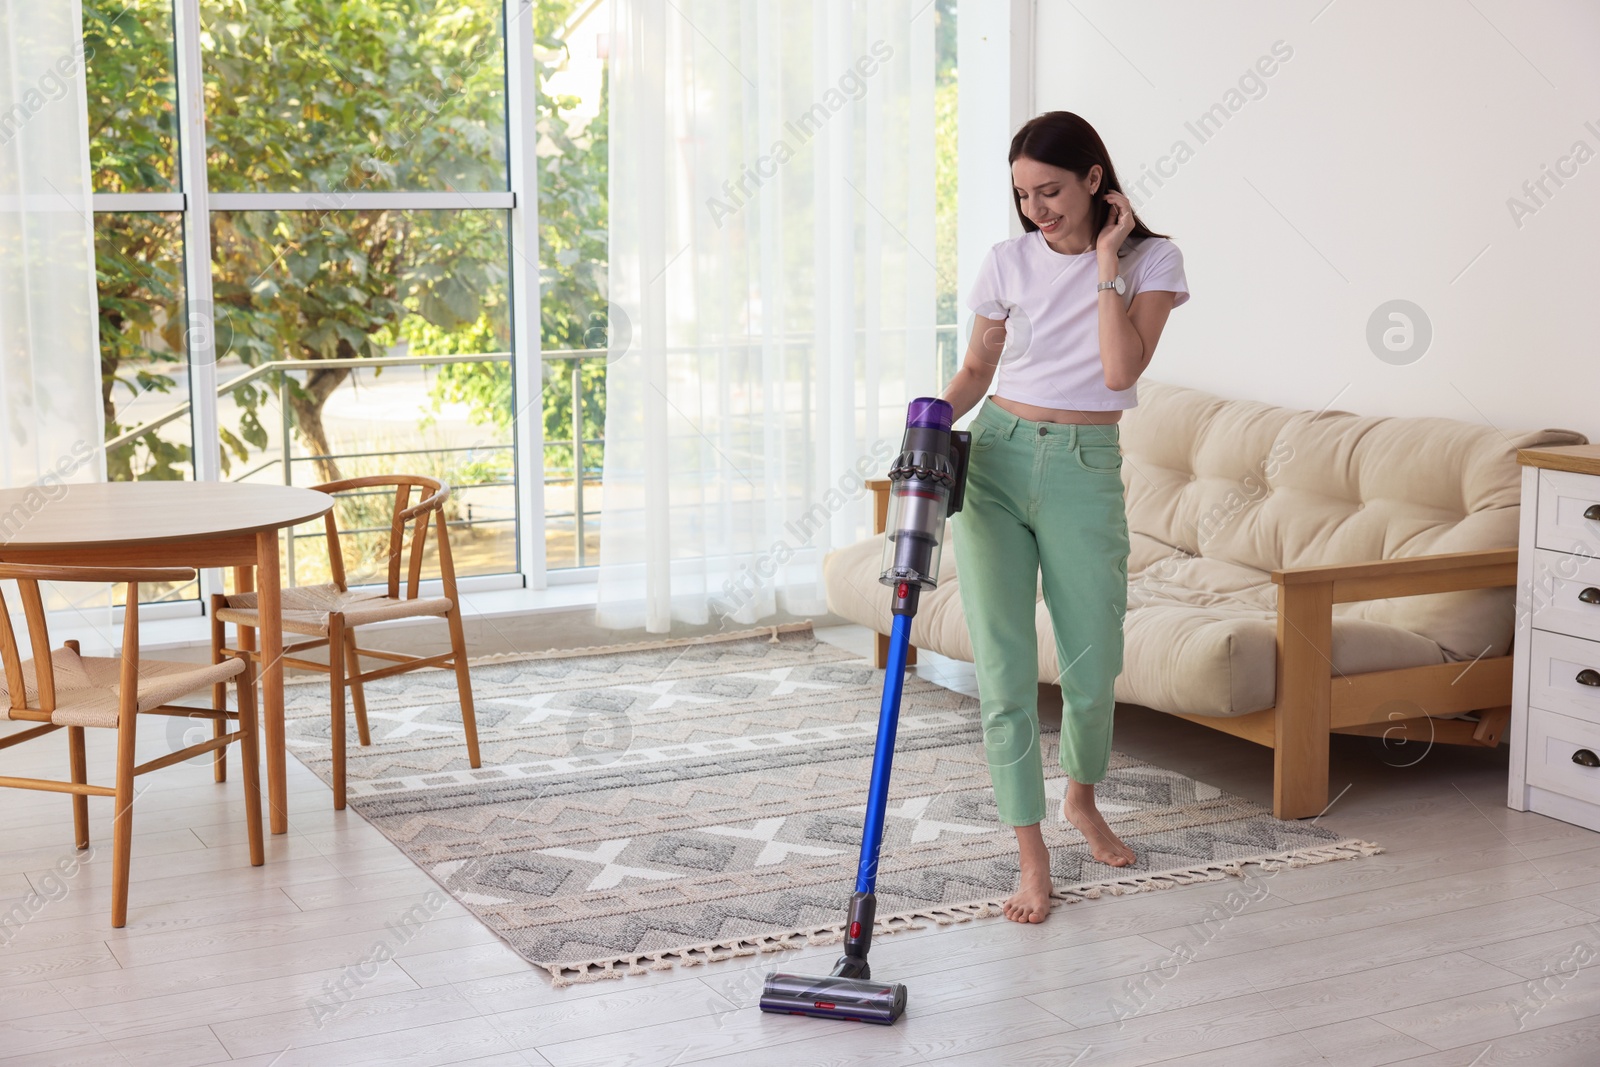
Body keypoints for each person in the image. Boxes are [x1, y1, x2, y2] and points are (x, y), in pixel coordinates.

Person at [939, 110, 1189, 924]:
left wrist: (1107, 261)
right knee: (1005, 672)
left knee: (1092, 660)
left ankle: (1082, 799)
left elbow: (1119, 372)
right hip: (999, 458)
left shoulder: (1153, 260)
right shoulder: (1005, 261)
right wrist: (928, 427)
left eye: (1050, 190)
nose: (1036, 210)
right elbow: (978, 365)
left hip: (1086, 467)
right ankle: (1031, 850)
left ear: (1093, 179)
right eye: (1022, 195)